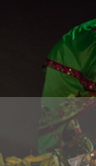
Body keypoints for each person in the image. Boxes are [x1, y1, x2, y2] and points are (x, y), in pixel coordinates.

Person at [38, 19, 96, 153]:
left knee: (68, 114)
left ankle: (68, 156)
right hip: (67, 60)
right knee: (55, 115)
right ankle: (46, 163)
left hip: (79, 59)